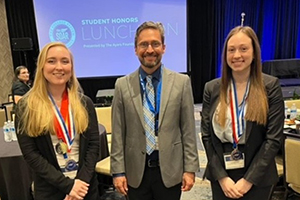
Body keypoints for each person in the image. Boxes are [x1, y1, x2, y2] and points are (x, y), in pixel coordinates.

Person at [110, 21, 199, 200]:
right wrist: (118, 172)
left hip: (170, 171)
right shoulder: (122, 85)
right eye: (144, 44)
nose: (150, 50)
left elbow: (188, 130)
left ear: (163, 48)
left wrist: (190, 169)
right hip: (136, 172)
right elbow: (118, 133)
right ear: (135, 49)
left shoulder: (181, 83)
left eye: (155, 44)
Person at [201, 26, 284, 200]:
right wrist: (222, 178)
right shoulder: (212, 88)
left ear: (254, 53)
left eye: (243, 49)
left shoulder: (270, 87)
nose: (237, 55)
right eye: (231, 50)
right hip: (222, 176)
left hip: (258, 177)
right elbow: (207, 137)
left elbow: (273, 139)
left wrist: (248, 181)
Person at [15, 42, 100, 200]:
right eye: (51, 61)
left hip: (85, 189)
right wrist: (68, 186)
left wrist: (80, 183)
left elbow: (94, 145)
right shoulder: (26, 107)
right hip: (50, 191)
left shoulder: (85, 103)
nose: (59, 67)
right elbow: (31, 154)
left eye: (65, 61)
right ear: (42, 66)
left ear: (71, 67)